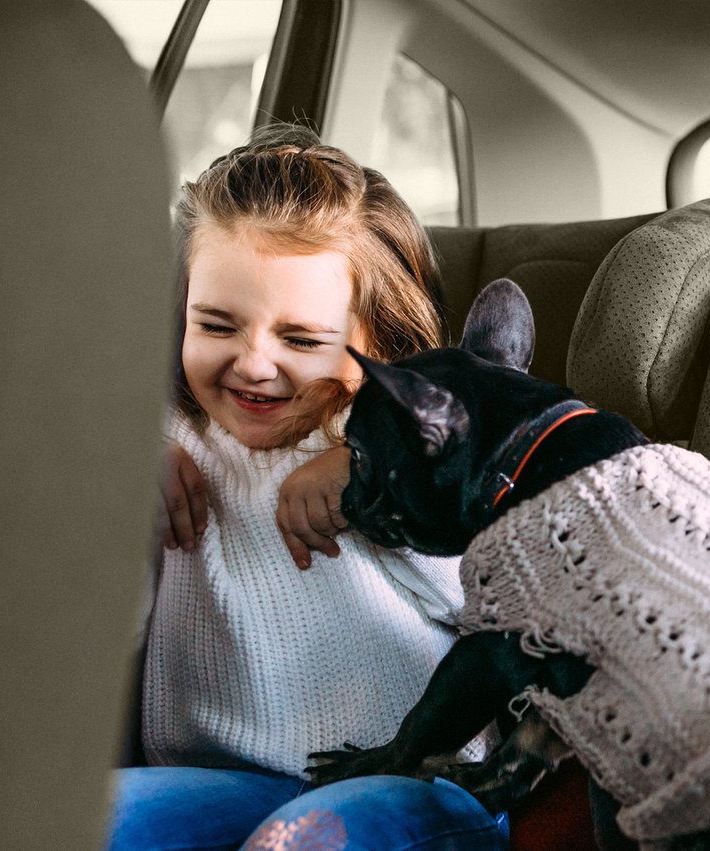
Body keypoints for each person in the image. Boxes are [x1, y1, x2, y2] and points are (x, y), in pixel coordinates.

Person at [108, 124, 506, 851]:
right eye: (217, 324)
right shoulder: (167, 442)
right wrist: (119, 481)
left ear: (377, 343)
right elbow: (100, 629)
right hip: (225, 779)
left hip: (415, 779)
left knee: (304, 840)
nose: (253, 364)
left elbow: (500, 611)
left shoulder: (421, 446)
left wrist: (381, 474)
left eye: (300, 340)